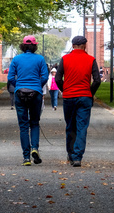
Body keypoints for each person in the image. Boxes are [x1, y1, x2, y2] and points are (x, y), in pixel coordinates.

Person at [55, 35, 101, 167]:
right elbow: (97, 80)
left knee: (70, 125)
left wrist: (65, 90)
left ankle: (70, 154)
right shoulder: (91, 60)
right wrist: (90, 93)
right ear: (85, 46)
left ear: (73, 45)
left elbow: (58, 78)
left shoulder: (65, 59)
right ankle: (77, 157)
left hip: (69, 96)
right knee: (82, 127)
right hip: (84, 96)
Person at [7, 35, 49, 166]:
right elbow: (45, 76)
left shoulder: (17, 59)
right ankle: (35, 148)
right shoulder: (40, 59)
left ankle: (26, 157)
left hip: (20, 93)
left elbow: (10, 77)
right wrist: (37, 85)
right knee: (35, 123)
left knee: (23, 125)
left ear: (23, 46)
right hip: (35, 93)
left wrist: (19, 84)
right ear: (35, 46)